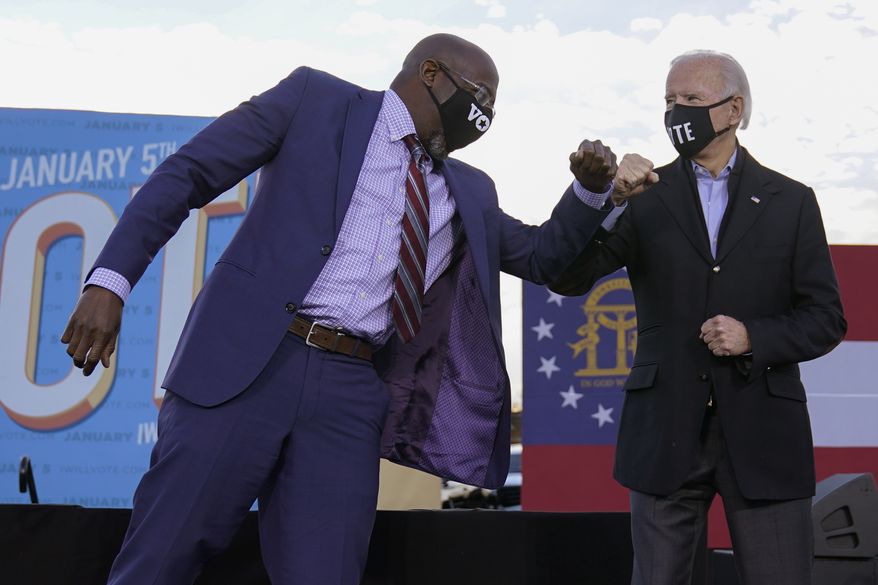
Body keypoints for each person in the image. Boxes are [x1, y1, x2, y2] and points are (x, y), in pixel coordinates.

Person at [61, 34, 623, 584]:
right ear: (431, 74)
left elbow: (547, 259)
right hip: (248, 364)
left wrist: (592, 194)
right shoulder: (315, 101)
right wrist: (109, 284)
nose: (484, 115)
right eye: (480, 97)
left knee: (325, 571)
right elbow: (188, 173)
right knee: (164, 555)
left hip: (351, 390)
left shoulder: (468, 191)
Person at [550, 50, 846, 585]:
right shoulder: (640, 197)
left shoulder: (791, 201)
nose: (675, 113)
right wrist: (607, 197)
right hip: (664, 434)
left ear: (733, 110)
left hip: (763, 434)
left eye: (690, 100)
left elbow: (826, 317)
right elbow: (566, 276)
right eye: (668, 101)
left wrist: (754, 336)